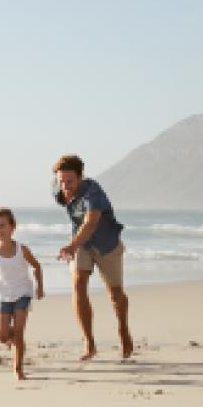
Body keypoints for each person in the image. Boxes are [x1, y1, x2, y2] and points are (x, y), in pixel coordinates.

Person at [52, 154, 134, 360]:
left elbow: (90, 223)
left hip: (107, 245)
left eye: (69, 181)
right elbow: (78, 222)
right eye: (61, 181)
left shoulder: (93, 193)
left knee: (115, 293)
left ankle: (123, 330)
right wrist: (75, 244)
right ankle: (88, 341)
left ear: (80, 178)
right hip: (82, 244)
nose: (65, 186)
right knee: (78, 285)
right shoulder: (59, 191)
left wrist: (71, 245)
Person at [0, 208, 45, 380]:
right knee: (2, 336)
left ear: (12, 227)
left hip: (22, 292)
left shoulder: (22, 249)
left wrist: (40, 287)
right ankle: (12, 340)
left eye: (2, 226)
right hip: (3, 294)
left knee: (19, 333)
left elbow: (37, 266)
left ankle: (18, 369)